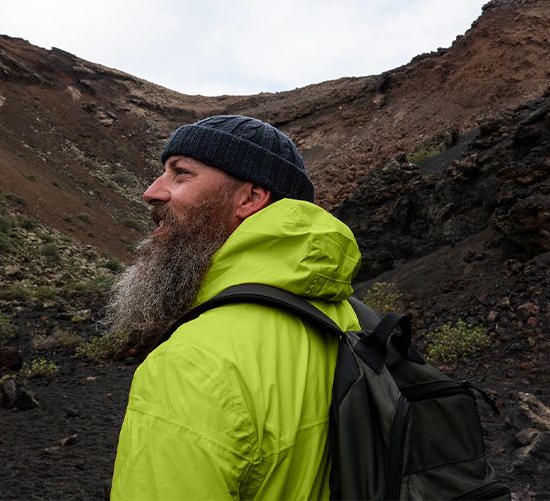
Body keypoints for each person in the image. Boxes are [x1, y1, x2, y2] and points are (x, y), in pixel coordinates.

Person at [108, 114, 362, 500]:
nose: (151, 191)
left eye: (181, 173)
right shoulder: (349, 319)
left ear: (249, 198)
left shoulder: (192, 365)